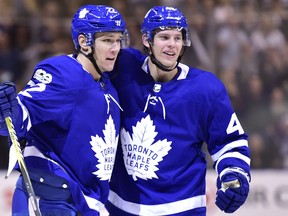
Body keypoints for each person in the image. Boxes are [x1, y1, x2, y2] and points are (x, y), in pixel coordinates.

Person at [105, 6, 251, 216]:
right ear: (147, 40)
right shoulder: (123, 68)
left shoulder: (205, 88)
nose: (172, 45)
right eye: (164, 37)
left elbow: (230, 141)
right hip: (121, 208)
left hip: (181, 209)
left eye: (177, 37)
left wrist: (234, 175)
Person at [0, 4, 129, 215]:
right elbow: (22, 114)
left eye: (118, 40)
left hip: (86, 202)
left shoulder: (107, 84)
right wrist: (8, 111)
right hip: (51, 197)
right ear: (83, 42)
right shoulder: (63, 74)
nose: (115, 48)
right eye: (107, 40)